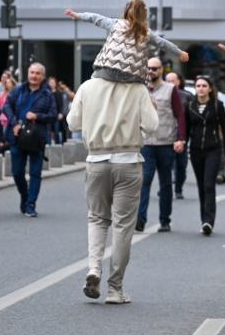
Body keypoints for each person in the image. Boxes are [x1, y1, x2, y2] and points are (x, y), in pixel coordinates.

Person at [67, 71, 159, 304]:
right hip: (128, 161)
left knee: (97, 218)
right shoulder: (137, 88)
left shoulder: (87, 86)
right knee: (122, 226)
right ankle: (115, 289)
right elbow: (152, 126)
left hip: (96, 160)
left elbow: (72, 123)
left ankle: (94, 269)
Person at [64, 0, 188, 83]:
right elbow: (163, 43)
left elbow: (96, 18)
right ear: (143, 15)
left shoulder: (115, 23)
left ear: (126, 12)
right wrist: (180, 53)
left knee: (91, 85)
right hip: (131, 76)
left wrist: (78, 15)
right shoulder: (146, 32)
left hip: (106, 71)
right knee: (143, 89)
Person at [135, 58, 187, 233]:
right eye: (148, 68)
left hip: (166, 142)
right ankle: (140, 218)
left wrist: (180, 138)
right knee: (145, 180)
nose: (151, 71)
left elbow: (180, 115)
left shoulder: (170, 89)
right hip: (146, 143)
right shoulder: (140, 90)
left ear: (161, 70)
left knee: (165, 184)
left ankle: (165, 220)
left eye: (155, 68)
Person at [1, 62, 57, 218]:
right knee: (17, 172)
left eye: (38, 73)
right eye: (32, 72)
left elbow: (53, 116)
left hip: (36, 138)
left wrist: (37, 116)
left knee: (35, 173)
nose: (34, 76)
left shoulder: (47, 94)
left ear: (43, 77)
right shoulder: (18, 90)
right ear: (28, 73)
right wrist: (13, 123)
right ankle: (24, 196)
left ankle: (31, 204)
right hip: (17, 136)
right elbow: (6, 106)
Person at [184, 76, 225, 236]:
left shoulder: (217, 106)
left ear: (210, 89)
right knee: (200, 185)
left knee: (208, 184)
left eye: (204, 86)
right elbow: (186, 129)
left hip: (213, 149)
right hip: (196, 150)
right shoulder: (189, 105)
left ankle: (209, 221)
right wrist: (182, 143)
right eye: (198, 86)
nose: (201, 88)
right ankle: (203, 219)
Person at [166, 71, 193, 199]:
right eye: (168, 81)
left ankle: (178, 188)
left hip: (182, 136)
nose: (171, 83)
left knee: (181, 165)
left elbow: (192, 116)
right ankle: (164, 187)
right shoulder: (160, 94)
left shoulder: (187, 96)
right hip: (165, 136)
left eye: (173, 80)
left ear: (179, 82)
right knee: (165, 165)